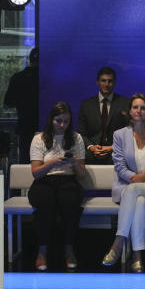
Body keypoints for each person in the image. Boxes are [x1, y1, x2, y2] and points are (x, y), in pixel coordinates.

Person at [102, 94, 145, 273]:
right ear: (130, 111)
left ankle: (118, 243)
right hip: (129, 185)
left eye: (143, 108)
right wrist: (134, 177)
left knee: (134, 190)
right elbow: (119, 166)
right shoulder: (119, 135)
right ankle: (137, 257)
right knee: (138, 201)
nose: (139, 111)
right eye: (135, 107)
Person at [29, 102, 85, 271]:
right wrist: (53, 162)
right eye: (58, 120)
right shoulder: (39, 138)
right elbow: (36, 172)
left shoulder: (76, 138)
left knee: (70, 202)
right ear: (51, 119)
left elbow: (81, 174)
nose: (62, 125)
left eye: (66, 121)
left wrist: (73, 161)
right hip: (44, 180)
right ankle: (42, 251)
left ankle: (69, 249)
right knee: (45, 203)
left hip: (68, 180)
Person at [76, 67, 129, 165]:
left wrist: (112, 148)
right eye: (103, 81)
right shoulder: (86, 105)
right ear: (98, 82)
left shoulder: (125, 103)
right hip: (91, 154)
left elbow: (129, 131)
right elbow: (81, 133)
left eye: (110, 81)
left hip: (117, 153)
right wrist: (91, 147)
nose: (107, 84)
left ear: (115, 82)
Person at [4, 47, 39, 163]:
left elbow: (8, 103)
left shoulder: (18, 78)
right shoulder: (47, 78)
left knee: (26, 160)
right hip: (45, 126)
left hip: (25, 126)